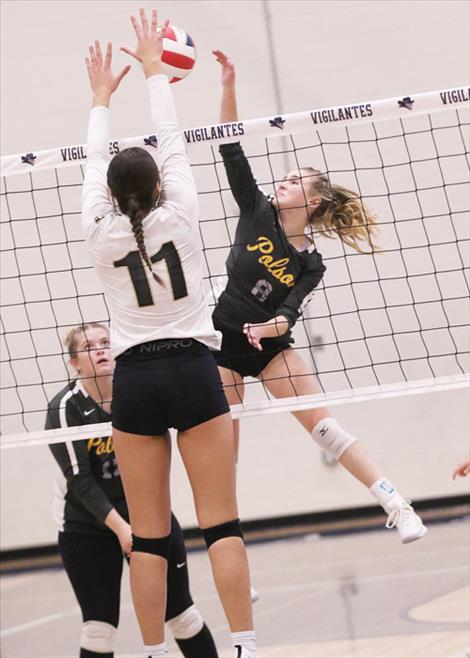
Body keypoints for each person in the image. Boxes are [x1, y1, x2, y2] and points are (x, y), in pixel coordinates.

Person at [81, 11, 256, 658]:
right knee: (222, 526)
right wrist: (156, 70)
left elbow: (99, 162)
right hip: (192, 369)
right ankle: (244, 647)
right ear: (157, 186)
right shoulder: (181, 207)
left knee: (150, 538)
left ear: (108, 194)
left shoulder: (97, 231)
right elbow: (173, 138)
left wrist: (100, 98)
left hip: (136, 384)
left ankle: (153, 653)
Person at [211, 50, 427, 545]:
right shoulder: (255, 208)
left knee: (325, 428)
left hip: (269, 349)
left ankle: (397, 503)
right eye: (283, 179)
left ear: (310, 202)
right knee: (221, 453)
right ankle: (230, 549)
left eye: (292, 182)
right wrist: (228, 84)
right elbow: (229, 145)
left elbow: (289, 314)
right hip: (221, 341)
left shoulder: (311, 262)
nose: (281, 184)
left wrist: (272, 329)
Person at [46, 323, 219, 658]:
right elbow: (80, 481)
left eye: (105, 342)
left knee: (182, 615)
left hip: (148, 516)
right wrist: (123, 530)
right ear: (74, 363)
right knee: (99, 630)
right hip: (87, 527)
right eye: (89, 346)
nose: (100, 349)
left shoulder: (135, 392)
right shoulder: (65, 408)